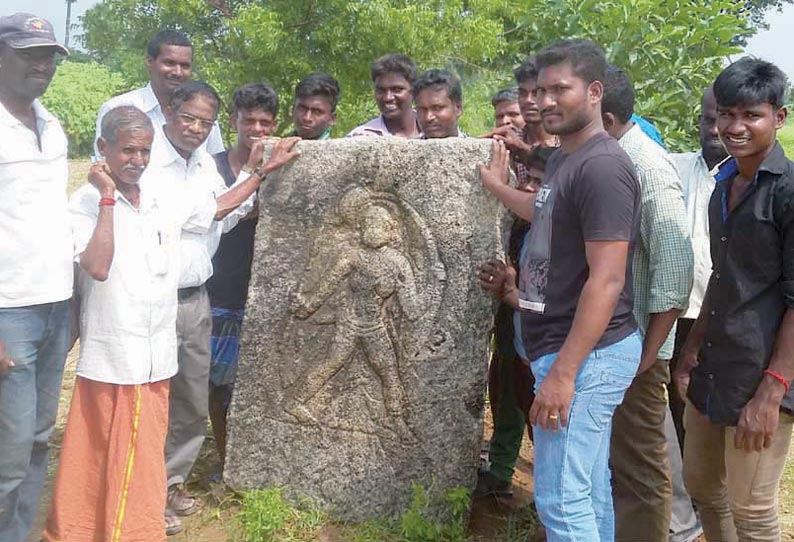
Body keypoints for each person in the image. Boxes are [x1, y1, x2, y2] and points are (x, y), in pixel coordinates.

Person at [479, 39, 641, 541]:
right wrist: (496, 186)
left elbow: (608, 277)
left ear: (593, 92)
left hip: (586, 355)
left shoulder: (602, 167)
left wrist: (563, 374)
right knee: (587, 490)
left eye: (560, 90)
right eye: (540, 90)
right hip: (574, 350)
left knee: (561, 501)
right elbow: (544, 211)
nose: (545, 101)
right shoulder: (569, 158)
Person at [144, 81, 301, 535]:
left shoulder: (200, 167)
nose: (196, 128)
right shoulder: (151, 161)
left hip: (197, 295)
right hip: (158, 297)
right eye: (189, 117)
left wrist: (253, 184)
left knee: (192, 399)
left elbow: (227, 215)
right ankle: (147, 494)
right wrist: (258, 172)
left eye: (204, 122)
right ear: (170, 111)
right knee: (161, 397)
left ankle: (170, 484)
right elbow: (206, 214)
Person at [674, 57, 794, 542]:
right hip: (715, 364)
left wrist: (773, 390)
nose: (735, 127)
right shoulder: (723, 185)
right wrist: (690, 350)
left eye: (751, 115)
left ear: (778, 118)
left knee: (754, 510)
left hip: (764, 371)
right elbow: (725, 279)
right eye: (726, 114)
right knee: (702, 484)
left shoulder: (787, 192)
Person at [42, 106, 173, 542]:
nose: (137, 160)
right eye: (127, 150)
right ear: (103, 149)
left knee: (136, 456)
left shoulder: (156, 196)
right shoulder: (82, 203)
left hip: (157, 354)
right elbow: (97, 266)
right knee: (103, 454)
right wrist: (105, 198)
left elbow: (211, 213)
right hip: (115, 353)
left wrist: (255, 172)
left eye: (145, 151)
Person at [600, 65, 694, 542]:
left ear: (608, 116)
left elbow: (676, 272)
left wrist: (646, 356)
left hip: (636, 349)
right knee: (614, 459)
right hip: (610, 344)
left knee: (640, 464)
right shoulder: (611, 158)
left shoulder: (648, 167)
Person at [0, 13, 73, 542]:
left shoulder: (52, 125)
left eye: (48, 55)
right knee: (7, 452)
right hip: (9, 312)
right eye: (29, 53)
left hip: (54, 305)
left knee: (37, 442)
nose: (42, 64)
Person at [206, 82, 279, 471]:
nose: (256, 129)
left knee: (256, 387)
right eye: (248, 120)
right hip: (218, 292)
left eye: (264, 122)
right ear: (233, 120)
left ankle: (254, 463)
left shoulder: (283, 170)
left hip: (262, 297)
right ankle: (225, 461)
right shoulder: (210, 166)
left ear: (274, 124)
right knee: (216, 387)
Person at [475, 147, 553, 498]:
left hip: (551, 354)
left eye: (542, 182)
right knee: (510, 397)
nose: (533, 189)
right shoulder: (527, 223)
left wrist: (511, 293)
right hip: (523, 345)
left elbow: (549, 303)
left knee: (551, 438)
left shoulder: (562, 232)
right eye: (530, 180)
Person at [668, 86, 730, 444]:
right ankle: (683, 492)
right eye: (708, 120)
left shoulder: (743, 179)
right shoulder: (673, 166)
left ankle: (702, 491)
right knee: (674, 403)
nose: (714, 129)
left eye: (720, 119)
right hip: (674, 312)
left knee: (706, 406)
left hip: (716, 316)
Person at [94, 30, 224, 158]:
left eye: (184, 66)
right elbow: (105, 167)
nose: (177, 72)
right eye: (169, 63)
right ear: (150, 62)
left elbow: (217, 165)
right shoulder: (118, 108)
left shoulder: (203, 116)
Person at [482, 57, 558, 185]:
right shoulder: (508, 141)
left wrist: (524, 150)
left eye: (536, 93)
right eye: (522, 93)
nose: (528, 100)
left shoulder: (568, 142)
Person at [348, 54, 420, 138]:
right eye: (381, 91)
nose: (388, 98)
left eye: (396, 89)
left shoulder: (433, 131)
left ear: (414, 90)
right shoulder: (361, 137)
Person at [414, 69, 466, 138]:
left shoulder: (475, 148)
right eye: (422, 109)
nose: (428, 117)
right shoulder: (405, 148)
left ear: (458, 108)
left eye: (437, 108)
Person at [291, 72, 340, 140]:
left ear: (332, 119)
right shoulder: (277, 146)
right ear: (292, 110)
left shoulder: (337, 150)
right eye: (302, 108)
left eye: (317, 112)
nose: (307, 118)